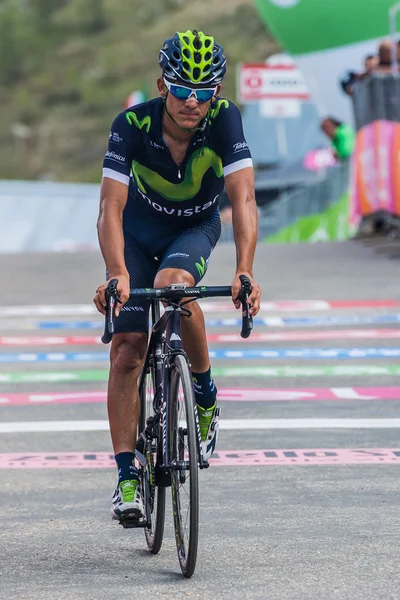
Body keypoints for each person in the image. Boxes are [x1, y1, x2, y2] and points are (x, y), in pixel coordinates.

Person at [93, 29, 261, 522]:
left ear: (217, 92)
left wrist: (244, 270)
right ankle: (127, 475)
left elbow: (244, 198)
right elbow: (109, 206)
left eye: (204, 91)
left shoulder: (225, 121)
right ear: (162, 85)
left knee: (175, 288)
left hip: (193, 228)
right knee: (126, 350)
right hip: (134, 235)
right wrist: (117, 271)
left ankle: (204, 396)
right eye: (182, 89)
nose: (193, 101)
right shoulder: (130, 124)